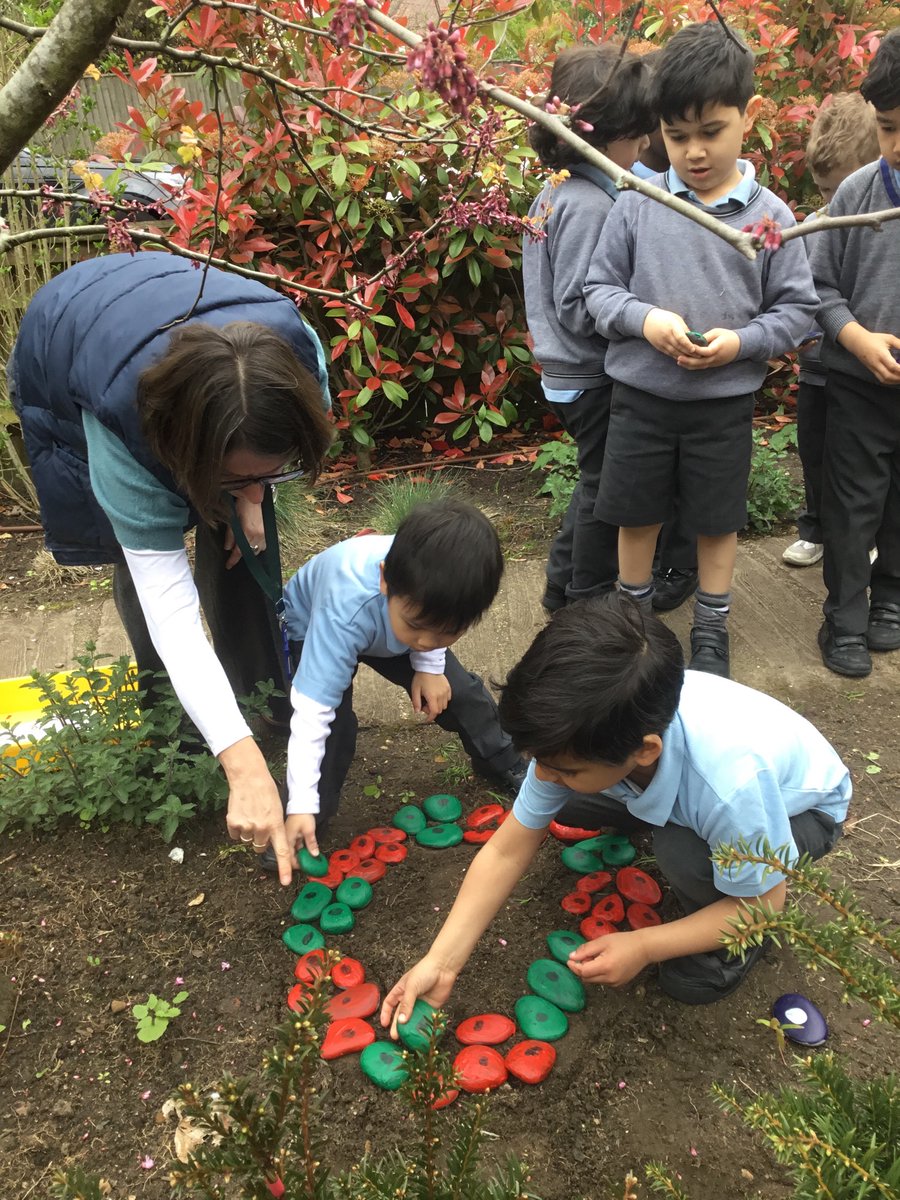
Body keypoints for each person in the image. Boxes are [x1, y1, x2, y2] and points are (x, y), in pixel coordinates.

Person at [9, 252, 334, 884]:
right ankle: (178, 726)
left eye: (272, 464)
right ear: (182, 450)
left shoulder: (298, 365)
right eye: (230, 471)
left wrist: (250, 494)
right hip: (73, 343)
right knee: (140, 567)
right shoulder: (123, 429)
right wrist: (243, 770)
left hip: (177, 325)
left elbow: (258, 443)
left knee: (247, 545)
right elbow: (175, 614)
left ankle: (259, 701)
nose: (257, 479)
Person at [381, 597, 850, 1025]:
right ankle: (640, 808)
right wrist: (440, 962)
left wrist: (645, 945)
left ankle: (730, 950)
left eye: (562, 766)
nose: (544, 774)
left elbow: (765, 902)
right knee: (571, 798)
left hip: (800, 814)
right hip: (666, 779)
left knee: (681, 850)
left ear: (644, 751)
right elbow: (508, 850)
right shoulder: (589, 734)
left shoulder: (731, 787)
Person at [583, 22, 819, 678]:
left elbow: (797, 311)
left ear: (748, 117)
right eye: (676, 135)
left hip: (722, 406)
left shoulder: (771, 219)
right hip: (642, 397)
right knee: (635, 511)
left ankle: (712, 621)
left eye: (710, 132)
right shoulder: (638, 202)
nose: (692, 152)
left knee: (717, 520)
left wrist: (741, 343)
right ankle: (633, 617)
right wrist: (643, 319)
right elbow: (598, 291)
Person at [278, 498, 527, 859]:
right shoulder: (343, 613)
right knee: (332, 728)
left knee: (460, 693)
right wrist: (301, 802)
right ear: (384, 579)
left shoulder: (434, 595)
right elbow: (313, 712)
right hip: (316, 621)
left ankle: (502, 759)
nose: (427, 641)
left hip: (391, 622)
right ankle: (303, 818)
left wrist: (429, 664)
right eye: (419, 629)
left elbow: (426, 631)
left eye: (446, 634)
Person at [522, 44, 656, 612]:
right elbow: (580, 307)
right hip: (587, 373)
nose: (648, 144)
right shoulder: (587, 205)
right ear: (605, 138)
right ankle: (585, 598)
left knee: (592, 480)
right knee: (608, 491)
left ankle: (560, 586)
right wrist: (644, 320)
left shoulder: (561, 190)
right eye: (639, 133)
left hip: (568, 372)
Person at [808, 28, 900, 678]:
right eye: (889, 129)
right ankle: (843, 613)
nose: (897, 147)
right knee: (852, 503)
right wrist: (856, 337)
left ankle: (891, 598)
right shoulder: (857, 193)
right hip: (859, 384)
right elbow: (819, 286)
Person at [782, 94, 881, 569]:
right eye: (822, 191)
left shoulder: (878, 222)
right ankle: (815, 528)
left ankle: (867, 532)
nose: (829, 204)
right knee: (814, 454)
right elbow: (804, 293)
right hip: (815, 368)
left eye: (837, 191)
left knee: (857, 467)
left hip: (859, 371)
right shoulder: (814, 225)